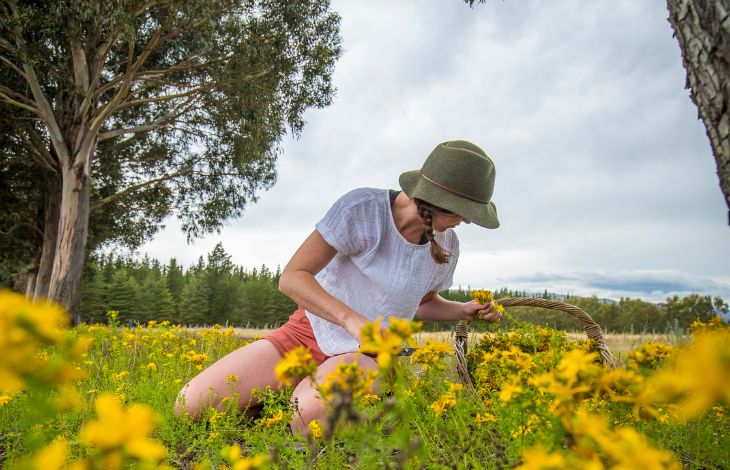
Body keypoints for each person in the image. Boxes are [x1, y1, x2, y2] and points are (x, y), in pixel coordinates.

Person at [174, 140, 504, 435]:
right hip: (305, 334)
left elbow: (421, 304)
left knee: (308, 418)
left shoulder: (448, 246)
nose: (468, 221)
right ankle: (296, 395)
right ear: (437, 201)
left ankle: (311, 400)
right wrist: (351, 320)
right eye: (465, 213)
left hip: (368, 354)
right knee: (190, 406)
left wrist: (463, 310)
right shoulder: (361, 210)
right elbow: (293, 277)